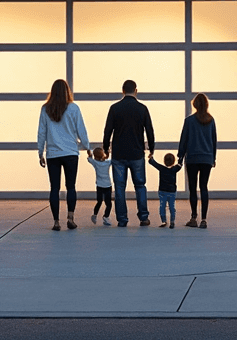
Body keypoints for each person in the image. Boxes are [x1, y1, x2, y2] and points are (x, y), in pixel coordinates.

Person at [37, 79, 91, 231]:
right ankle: (70, 218)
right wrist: (87, 147)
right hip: (70, 153)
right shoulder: (73, 108)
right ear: (67, 91)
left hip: (53, 153)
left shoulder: (45, 109)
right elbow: (81, 129)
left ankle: (56, 222)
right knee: (71, 186)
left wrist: (40, 151)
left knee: (54, 188)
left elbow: (41, 132)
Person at [102, 79, 155, 227]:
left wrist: (106, 149)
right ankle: (144, 217)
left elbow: (107, 131)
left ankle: (122, 219)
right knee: (140, 186)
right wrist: (151, 148)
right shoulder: (142, 108)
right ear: (136, 91)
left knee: (119, 188)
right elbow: (149, 131)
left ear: (122, 91)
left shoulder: (114, 108)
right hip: (137, 154)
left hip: (118, 154)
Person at [178, 92, 217, 229]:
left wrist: (180, 156)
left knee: (193, 189)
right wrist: (213, 157)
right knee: (204, 188)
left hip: (193, 158)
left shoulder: (189, 121)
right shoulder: (211, 120)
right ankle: (204, 220)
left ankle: (193, 217)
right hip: (206, 158)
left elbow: (184, 140)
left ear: (195, 104)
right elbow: (214, 140)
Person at [149, 153, 182, 228]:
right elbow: (180, 164)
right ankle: (172, 222)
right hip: (172, 191)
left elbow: (153, 163)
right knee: (172, 207)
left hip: (162, 191)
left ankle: (164, 221)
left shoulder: (162, 168)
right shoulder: (174, 169)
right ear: (173, 161)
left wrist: (151, 157)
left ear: (164, 161)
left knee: (162, 206)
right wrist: (181, 157)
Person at [86, 146, 113, 225]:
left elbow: (89, 159)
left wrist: (89, 152)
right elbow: (114, 160)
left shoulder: (95, 162)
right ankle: (106, 216)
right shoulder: (107, 162)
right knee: (109, 203)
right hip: (108, 185)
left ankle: (94, 215)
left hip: (99, 185)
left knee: (99, 201)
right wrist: (109, 153)